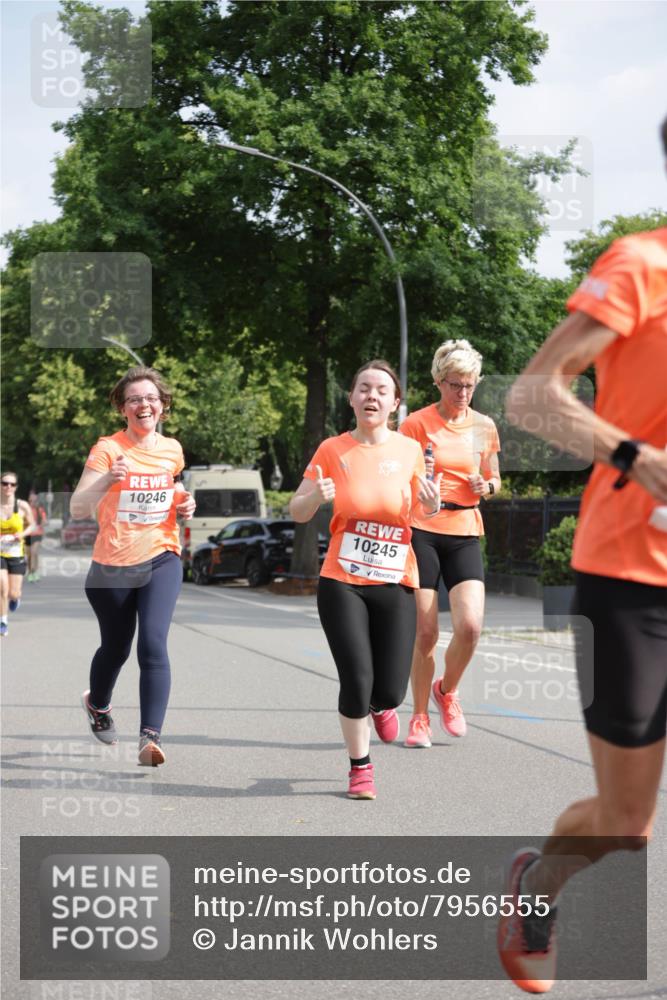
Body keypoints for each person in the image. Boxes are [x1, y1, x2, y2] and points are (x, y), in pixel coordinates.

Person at [497, 118, 667, 994]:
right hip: (633, 575)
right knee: (627, 825)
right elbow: (533, 395)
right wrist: (639, 459)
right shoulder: (641, 266)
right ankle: (542, 881)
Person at [289, 360, 441, 799]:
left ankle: (382, 705)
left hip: (394, 579)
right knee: (356, 676)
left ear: (395, 403)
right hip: (343, 580)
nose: (371, 396)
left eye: (381, 391)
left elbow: (421, 511)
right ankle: (360, 767)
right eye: (363, 389)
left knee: (390, 687)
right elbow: (298, 511)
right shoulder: (332, 450)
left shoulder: (410, 451)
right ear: (352, 397)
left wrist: (430, 505)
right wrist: (315, 496)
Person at [70, 366, 195, 766]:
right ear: (123, 409)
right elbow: (78, 507)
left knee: (153, 643)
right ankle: (98, 704)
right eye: (135, 399)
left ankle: (150, 738)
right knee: (116, 646)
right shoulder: (108, 448)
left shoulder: (172, 449)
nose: (144, 405)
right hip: (113, 564)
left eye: (151, 398)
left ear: (163, 406)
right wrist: (108, 478)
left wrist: (184, 501)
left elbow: (171, 487)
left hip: (162, 555)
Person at [399, 339, 501, 748]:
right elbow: (399, 481)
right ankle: (419, 717)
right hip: (422, 530)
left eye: (470, 385)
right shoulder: (416, 425)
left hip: (464, 530)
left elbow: (494, 479)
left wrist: (486, 484)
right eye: (456, 384)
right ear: (439, 382)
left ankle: (448, 691)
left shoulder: (483, 426)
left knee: (471, 627)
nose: (463, 394)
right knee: (425, 633)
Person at [1, 472, 35, 637]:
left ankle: (15, 599)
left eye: (12, 484)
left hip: (16, 552)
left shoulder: (22, 506)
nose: (8, 487)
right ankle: (3, 621)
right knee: (2, 587)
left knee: (13, 593)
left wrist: (21, 535)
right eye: (5, 483)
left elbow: (32, 525)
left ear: (16, 487)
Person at [25, 489, 48, 581]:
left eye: (34, 501)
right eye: (30, 501)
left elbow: (44, 520)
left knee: (34, 552)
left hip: (37, 534)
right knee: (29, 555)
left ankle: (35, 572)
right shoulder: (25, 510)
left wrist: (40, 525)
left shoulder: (40, 510)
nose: (32, 503)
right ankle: (30, 572)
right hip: (27, 534)